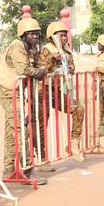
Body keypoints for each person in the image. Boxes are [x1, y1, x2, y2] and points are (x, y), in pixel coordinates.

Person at [0, 18, 47, 184]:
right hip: (8, 91)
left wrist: (42, 68)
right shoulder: (17, 47)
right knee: (20, 129)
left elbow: (41, 64)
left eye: (37, 34)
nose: (35, 37)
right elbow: (22, 69)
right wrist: (39, 72)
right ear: (23, 35)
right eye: (32, 34)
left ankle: (9, 169)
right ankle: (26, 170)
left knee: (12, 131)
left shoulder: (32, 48)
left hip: (17, 90)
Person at [38, 21, 85, 162]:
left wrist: (71, 68)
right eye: (61, 36)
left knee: (78, 109)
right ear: (52, 36)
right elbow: (40, 69)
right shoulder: (46, 49)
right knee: (41, 123)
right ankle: (41, 156)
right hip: (43, 90)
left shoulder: (67, 50)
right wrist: (52, 59)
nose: (64, 39)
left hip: (56, 90)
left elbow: (72, 66)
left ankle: (73, 143)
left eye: (65, 36)